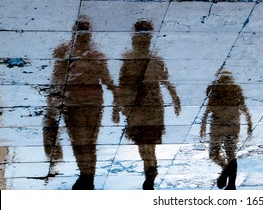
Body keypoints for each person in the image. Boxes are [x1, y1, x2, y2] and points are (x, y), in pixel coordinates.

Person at [49, 15, 117, 190]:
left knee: (83, 141)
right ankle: (87, 175)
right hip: (80, 102)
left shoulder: (87, 54)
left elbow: (107, 80)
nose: (83, 36)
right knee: (84, 141)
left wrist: (117, 100)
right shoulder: (69, 52)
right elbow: (57, 76)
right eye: (82, 33)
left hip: (83, 103)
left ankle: (87, 175)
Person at [113, 20, 181, 190]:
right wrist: (175, 98)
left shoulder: (138, 60)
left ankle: (150, 170)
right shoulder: (142, 60)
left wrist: (175, 97)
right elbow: (165, 81)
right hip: (146, 106)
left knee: (145, 142)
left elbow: (122, 84)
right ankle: (150, 170)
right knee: (146, 143)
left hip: (144, 107)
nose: (143, 42)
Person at [200, 69, 252, 190]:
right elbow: (243, 108)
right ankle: (228, 176)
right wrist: (249, 123)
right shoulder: (225, 89)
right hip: (227, 125)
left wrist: (203, 124)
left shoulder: (220, 88)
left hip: (220, 125)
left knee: (219, 154)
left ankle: (229, 179)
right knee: (226, 154)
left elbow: (208, 107)